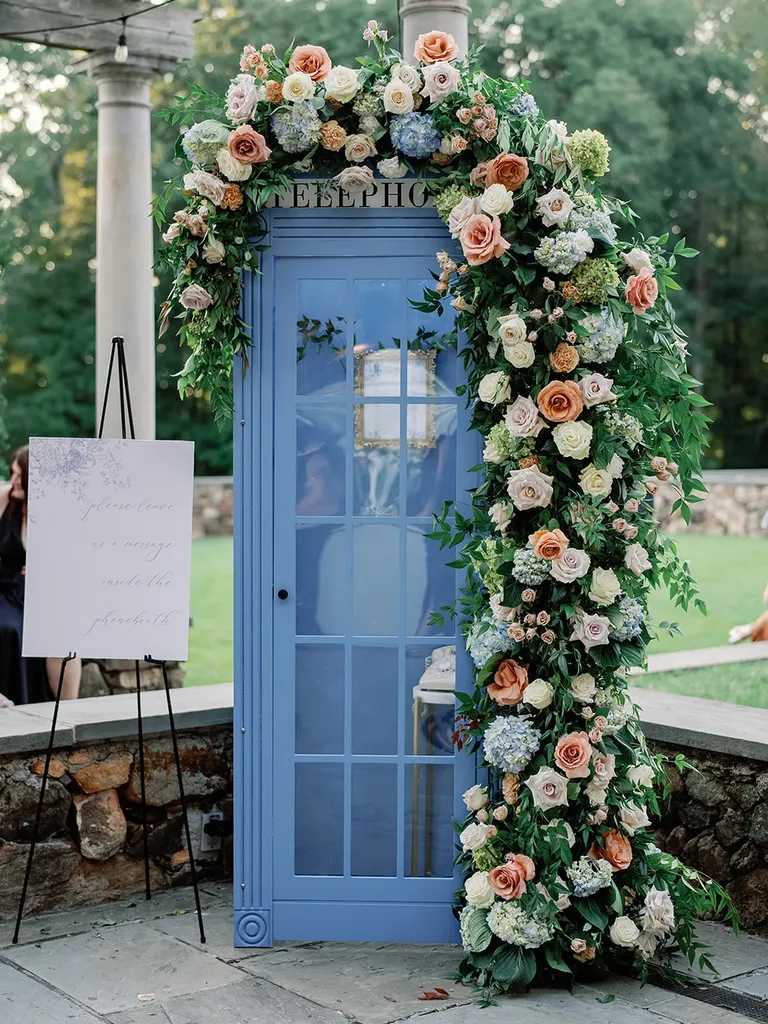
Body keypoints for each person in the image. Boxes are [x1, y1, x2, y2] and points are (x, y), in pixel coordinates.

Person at [0, 445, 82, 705]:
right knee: (10, 628)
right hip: (8, 587)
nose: (13, 480)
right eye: (12, 473)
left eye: (20, 475)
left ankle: (68, 709)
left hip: (48, 589)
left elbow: (73, 558)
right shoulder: (4, 498)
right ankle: (16, 701)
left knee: (61, 637)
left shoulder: (59, 511)